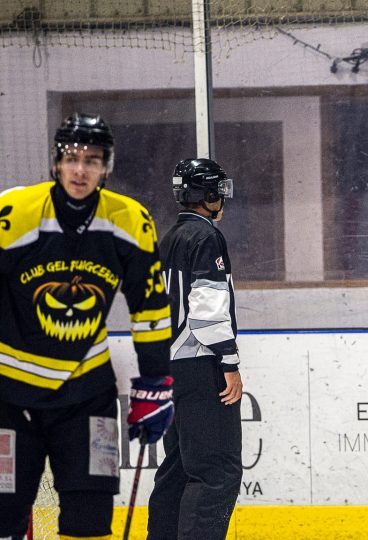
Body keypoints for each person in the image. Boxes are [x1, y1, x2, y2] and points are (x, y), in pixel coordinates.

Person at [0, 112, 174, 540]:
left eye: (92, 160)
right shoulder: (13, 213)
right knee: (3, 515)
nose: (81, 170)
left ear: (107, 166)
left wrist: (155, 380)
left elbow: (150, 306)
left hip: (85, 396)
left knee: (90, 519)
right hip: (7, 395)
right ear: (56, 162)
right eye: (72, 158)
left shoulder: (129, 221)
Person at [147, 158, 243, 540]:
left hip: (170, 369)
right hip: (202, 366)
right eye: (219, 189)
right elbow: (207, 311)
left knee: (179, 467)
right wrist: (230, 361)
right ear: (207, 194)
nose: (223, 197)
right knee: (216, 471)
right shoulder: (206, 238)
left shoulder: (169, 237)